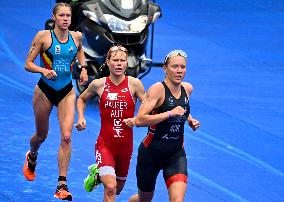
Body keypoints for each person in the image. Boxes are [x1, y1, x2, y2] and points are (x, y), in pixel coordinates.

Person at [22, 3, 88, 201]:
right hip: (44, 90)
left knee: (67, 136)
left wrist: (83, 68)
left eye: (68, 15)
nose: (66, 18)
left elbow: (80, 50)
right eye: (62, 15)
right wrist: (43, 70)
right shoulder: (43, 37)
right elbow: (28, 64)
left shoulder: (76, 37)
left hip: (67, 91)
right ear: (54, 17)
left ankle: (61, 184)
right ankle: (32, 155)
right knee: (41, 135)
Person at [76, 45, 145, 202]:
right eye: (115, 60)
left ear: (127, 64)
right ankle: (102, 173)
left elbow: (147, 105)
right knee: (111, 187)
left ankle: (98, 174)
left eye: (122, 60)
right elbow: (81, 99)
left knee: (117, 189)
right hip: (105, 144)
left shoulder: (134, 84)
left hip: (125, 147)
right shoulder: (99, 84)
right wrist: (81, 117)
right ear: (108, 62)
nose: (119, 63)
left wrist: (137, 119)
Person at [128, 50, 200, 202]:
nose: (179, 71)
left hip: (175, 154)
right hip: (150, 154)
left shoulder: (187, 89)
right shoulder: (157, 90)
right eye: (175, 67)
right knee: (144, 200)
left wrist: (190, 120)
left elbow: (182, 109)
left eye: (182, 67)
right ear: (165, 69)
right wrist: (169, 114)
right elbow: (140, 120)